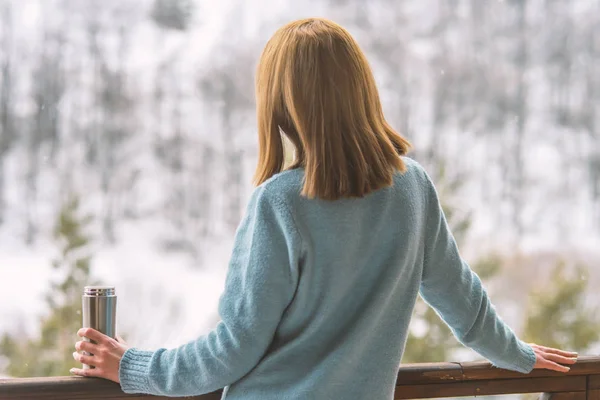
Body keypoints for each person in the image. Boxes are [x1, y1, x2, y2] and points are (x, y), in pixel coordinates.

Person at [70, 17, 578, 399]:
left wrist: (132, 366)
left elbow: (233, 349)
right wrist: (519, 356)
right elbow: (462, 302)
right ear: (359, 90)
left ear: (283, 103)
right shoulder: (412, 188)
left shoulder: (281, 203)